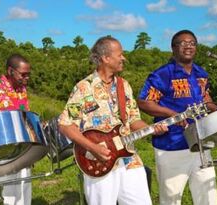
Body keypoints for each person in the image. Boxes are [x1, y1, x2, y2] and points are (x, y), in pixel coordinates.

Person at [58, 36, 167, 205]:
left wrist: (152, 128)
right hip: (98, 160)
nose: (124, 58)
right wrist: (92, 147)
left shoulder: (125, 85)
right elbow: (65, 124)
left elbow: (133, 120)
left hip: (129, 158)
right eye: (120, 54)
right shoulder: (83, 87)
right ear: (106, 58)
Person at [137, 30, 217, 205]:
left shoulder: (201, 73)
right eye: (183, 43)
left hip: (201, 144)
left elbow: (206, 98)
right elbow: (144, 102)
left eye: (192, 43)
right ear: (173, 48)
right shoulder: (162, 74)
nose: (188, 46)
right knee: (171, 198)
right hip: (172, 145)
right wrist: (171, 114)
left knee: (208, 197)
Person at [0, 54, 32, 205]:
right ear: (11, 71)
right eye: (23, 74)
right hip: (3, 150)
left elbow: (24, 117)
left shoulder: (22, 89)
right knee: (5, 195)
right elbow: (5, 121)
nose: (27, 78)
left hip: (21, 148)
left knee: (24, 192)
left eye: (28, 74)